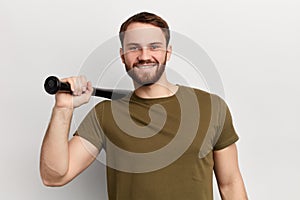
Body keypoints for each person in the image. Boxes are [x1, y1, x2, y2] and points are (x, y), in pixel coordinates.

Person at [40, 12, 248, 200]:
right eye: (134, 48)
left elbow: (230, 184)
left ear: (168, 52)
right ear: (123, 55)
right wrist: (63, 109)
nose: (145, 55)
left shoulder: (211, 107)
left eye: (154, 46)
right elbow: (54, 177)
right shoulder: (105, 115)